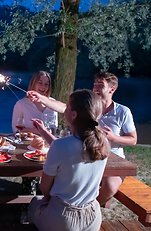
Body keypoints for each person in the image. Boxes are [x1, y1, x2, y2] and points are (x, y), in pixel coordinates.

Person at [28, 89, 110, 231]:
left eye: (67, 106)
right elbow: (70, 148)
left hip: (63, 219)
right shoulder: (102, 143)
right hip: (92, 217)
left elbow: (45, 188)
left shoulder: (61, 146)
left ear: (73, 115)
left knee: (34, 202)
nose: (64, 110)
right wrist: (44, 132)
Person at [12, 71, 60, 223]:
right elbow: (16, 128)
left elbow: (54, 129)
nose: (43, 87)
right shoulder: (21, 103)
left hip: (47, 145)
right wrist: (36, 130)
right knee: (30, 174)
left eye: (46, 84)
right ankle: (25, 209)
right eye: (40, 82)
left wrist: (33, 129)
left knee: (55, 171)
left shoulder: (52, 103)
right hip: (28, 145)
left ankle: (50, 207)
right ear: (33, 83)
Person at [92, 72, 137, 206]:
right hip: (92, 157)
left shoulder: (123, 111)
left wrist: (114, 137)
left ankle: (90, 209)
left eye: (100, 85)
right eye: (95, 85)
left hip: (114, 161)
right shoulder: (91, 109)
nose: (95, 89)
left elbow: (133, 140)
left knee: (110, 187)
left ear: (112, 89)